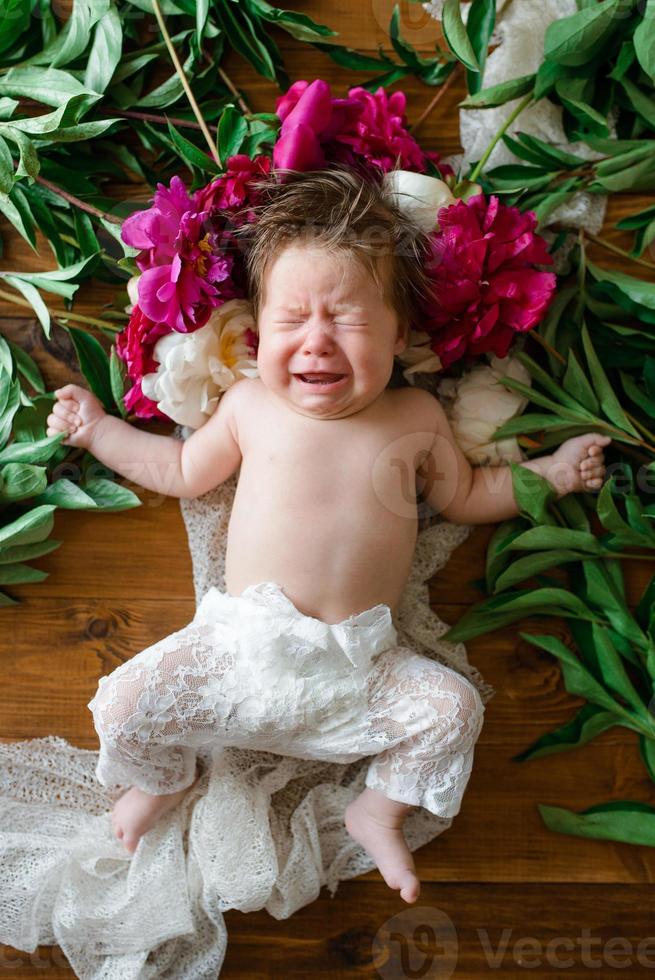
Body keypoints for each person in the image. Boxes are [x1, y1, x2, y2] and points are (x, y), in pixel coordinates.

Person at [46, 168, 609, 905]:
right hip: (236, 655)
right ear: (255, 331)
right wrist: (99, 433)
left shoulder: (415, 420)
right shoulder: (250, 406)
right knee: (124, 704)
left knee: (452, 710)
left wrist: (554, 474)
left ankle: (377, 808)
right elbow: (181, 468)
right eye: (292, 320)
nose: (317, 343)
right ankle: (165, 777)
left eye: (347, 320)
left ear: (399, 334)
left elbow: (468, 496)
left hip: (360, 672)